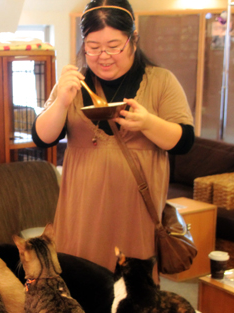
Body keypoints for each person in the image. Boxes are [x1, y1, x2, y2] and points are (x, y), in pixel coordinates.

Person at [32, 0, 194, 273]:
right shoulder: (74, 84)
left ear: (132, 40)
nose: (103, 56)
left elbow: (184, 142)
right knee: (81, 284)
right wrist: (60, 102)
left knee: (131, 293)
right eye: (93, 47)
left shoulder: (160, 81)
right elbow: (42, 138)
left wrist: (147, 123)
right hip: (81, 213)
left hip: (135, 216)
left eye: (114, 46)